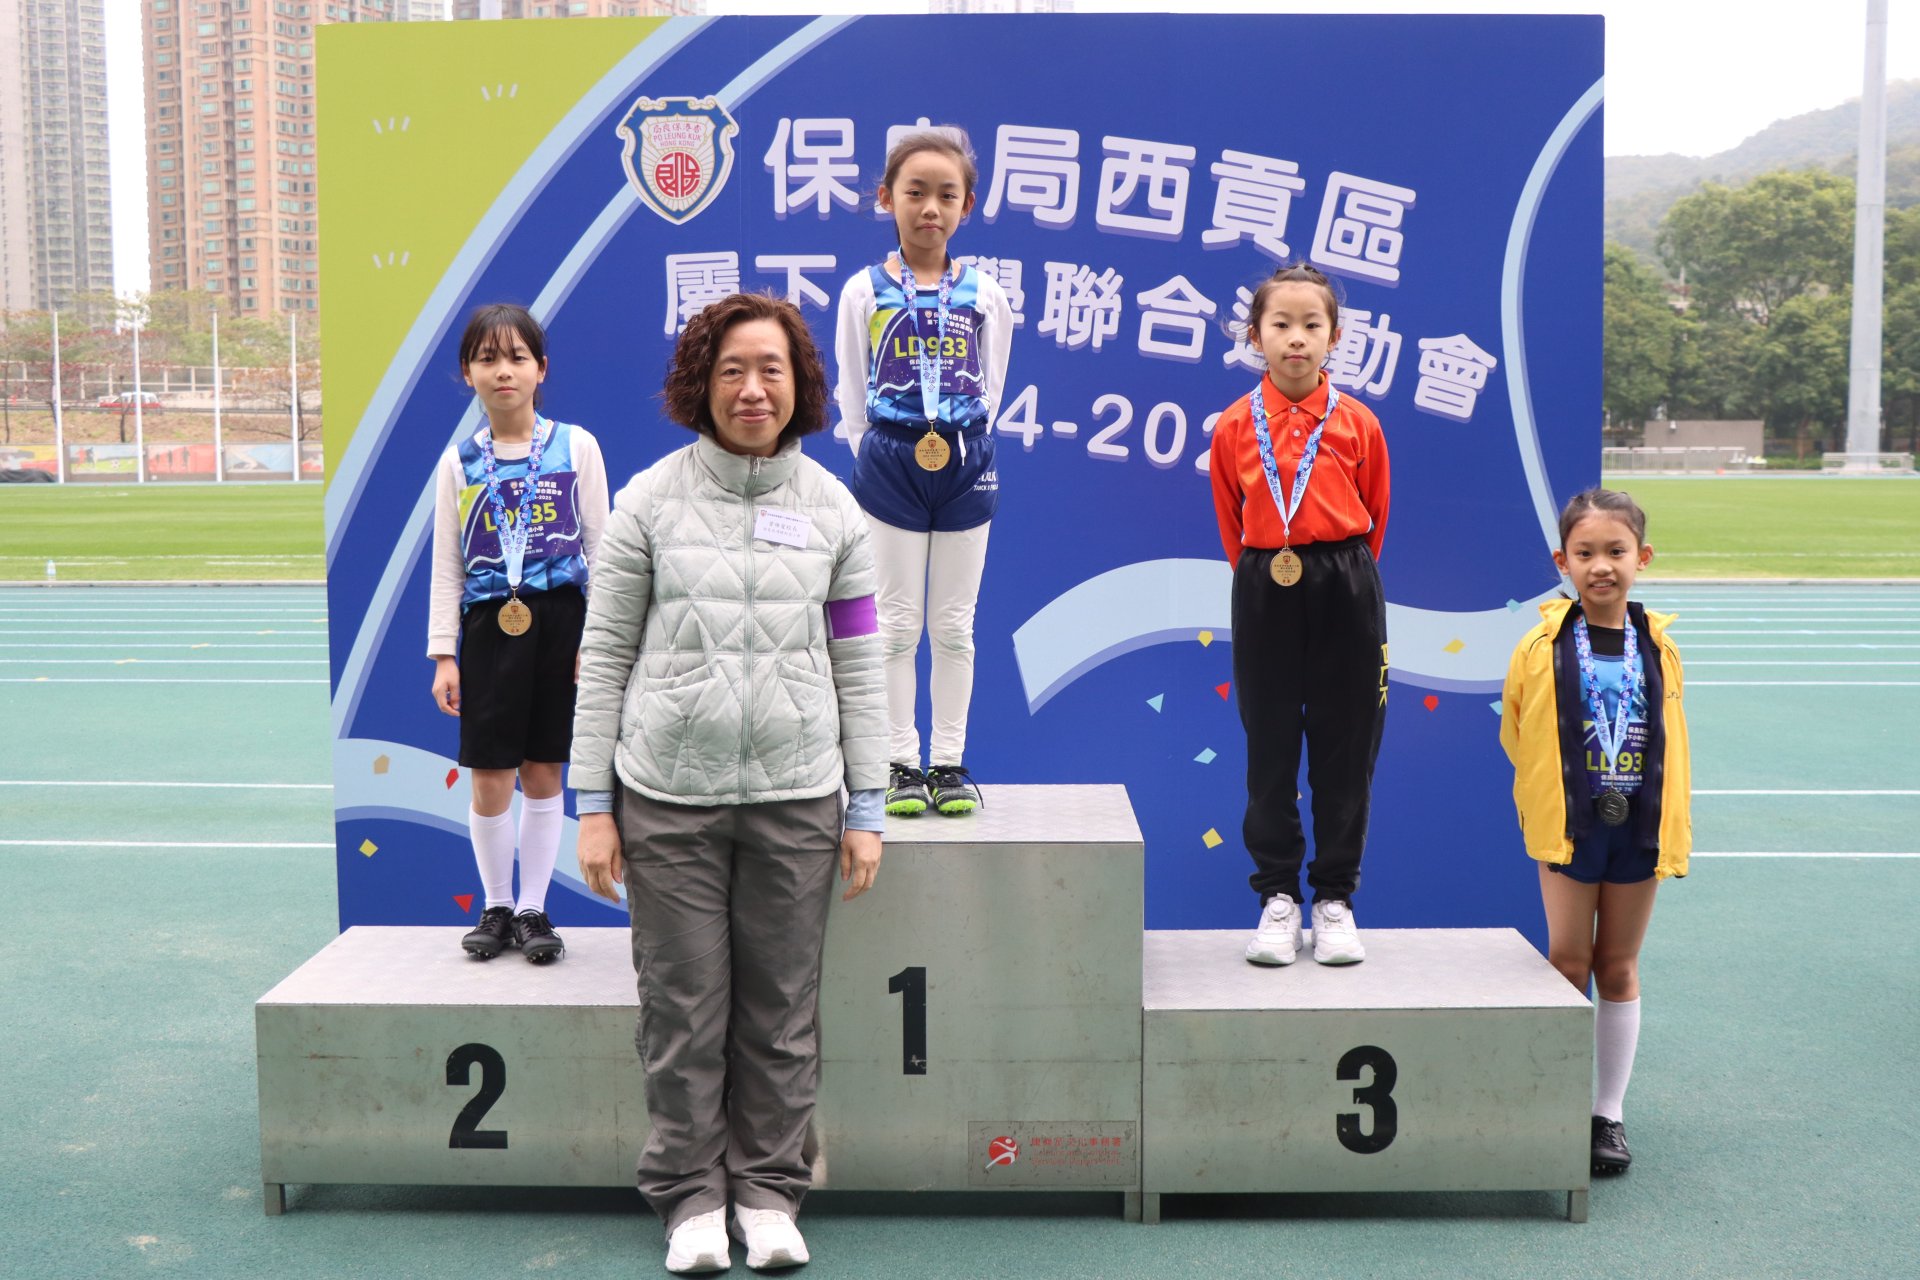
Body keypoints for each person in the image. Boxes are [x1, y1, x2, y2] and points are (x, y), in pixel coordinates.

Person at [571, 292, 887, 1274]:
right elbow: (604, 655)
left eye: (771, 370)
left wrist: (868, 804)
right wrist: (593, 805)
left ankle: (769, 1193)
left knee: (782, 1012)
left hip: (799, 797)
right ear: (700, 384)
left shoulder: (836, 511)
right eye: (732, 370)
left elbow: (861, 664)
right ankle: (690, 1201)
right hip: (667, 799)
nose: (753, 389)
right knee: (682, 1008)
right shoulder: (647, 503)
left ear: (801, 386)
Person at [1500, 487, 1691, 1176]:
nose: (1601, 565)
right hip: (1573, 828)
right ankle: (1555, 1102)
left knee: (1617, 967)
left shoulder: (1658, 647)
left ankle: (1607, 1114)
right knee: (1567, 962)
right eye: (1585, 553)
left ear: (1643, 557)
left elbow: (1672, 739)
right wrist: (1554, 802)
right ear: (1563, 561)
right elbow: (1517, 732)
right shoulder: (1540, 645)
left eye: (1616, 551)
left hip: (1637, 827)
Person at [1210, 263, 1391, 968]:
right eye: (1280, 324)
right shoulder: (1234, 426)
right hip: (1265, 583)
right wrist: (1269, 573)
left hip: (1346, 580)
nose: (1296, 338)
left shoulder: (1358, 423)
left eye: (1311, 325)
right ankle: (1278, 899)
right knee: (1271, 747)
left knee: (1347, 747)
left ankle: (1335, 900)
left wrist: (1341, 573)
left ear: (1334, 337)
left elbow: (1376, 514)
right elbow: (1232, 521)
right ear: (1254, 336)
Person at [834, 127, 1013, 818]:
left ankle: (949, 763)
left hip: (964, 463)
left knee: (955, 625)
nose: (930, 208)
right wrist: (878, 453)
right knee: (896, 624)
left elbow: (992, 385)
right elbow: (853, 391)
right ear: (886, 198)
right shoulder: (864, 291)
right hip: (891, 461)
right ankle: (900, 763)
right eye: (915, 192)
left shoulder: (985, 294)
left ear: (967, 205)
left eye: (946, 195)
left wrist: (960, 437)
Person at [428, 302, 607, 964]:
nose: (503, 371)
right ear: (467, 373)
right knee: (490, 775)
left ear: (541, 369)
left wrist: (596, 639)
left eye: (517, 357)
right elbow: (447, 564)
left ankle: (534, 909)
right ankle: (497, 905)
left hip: (560, 622)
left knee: (543, 769)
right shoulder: (459, 463)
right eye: (487, 359)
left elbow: (604, 550)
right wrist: (443, 654)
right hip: (488, 627)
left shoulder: (576, 446)